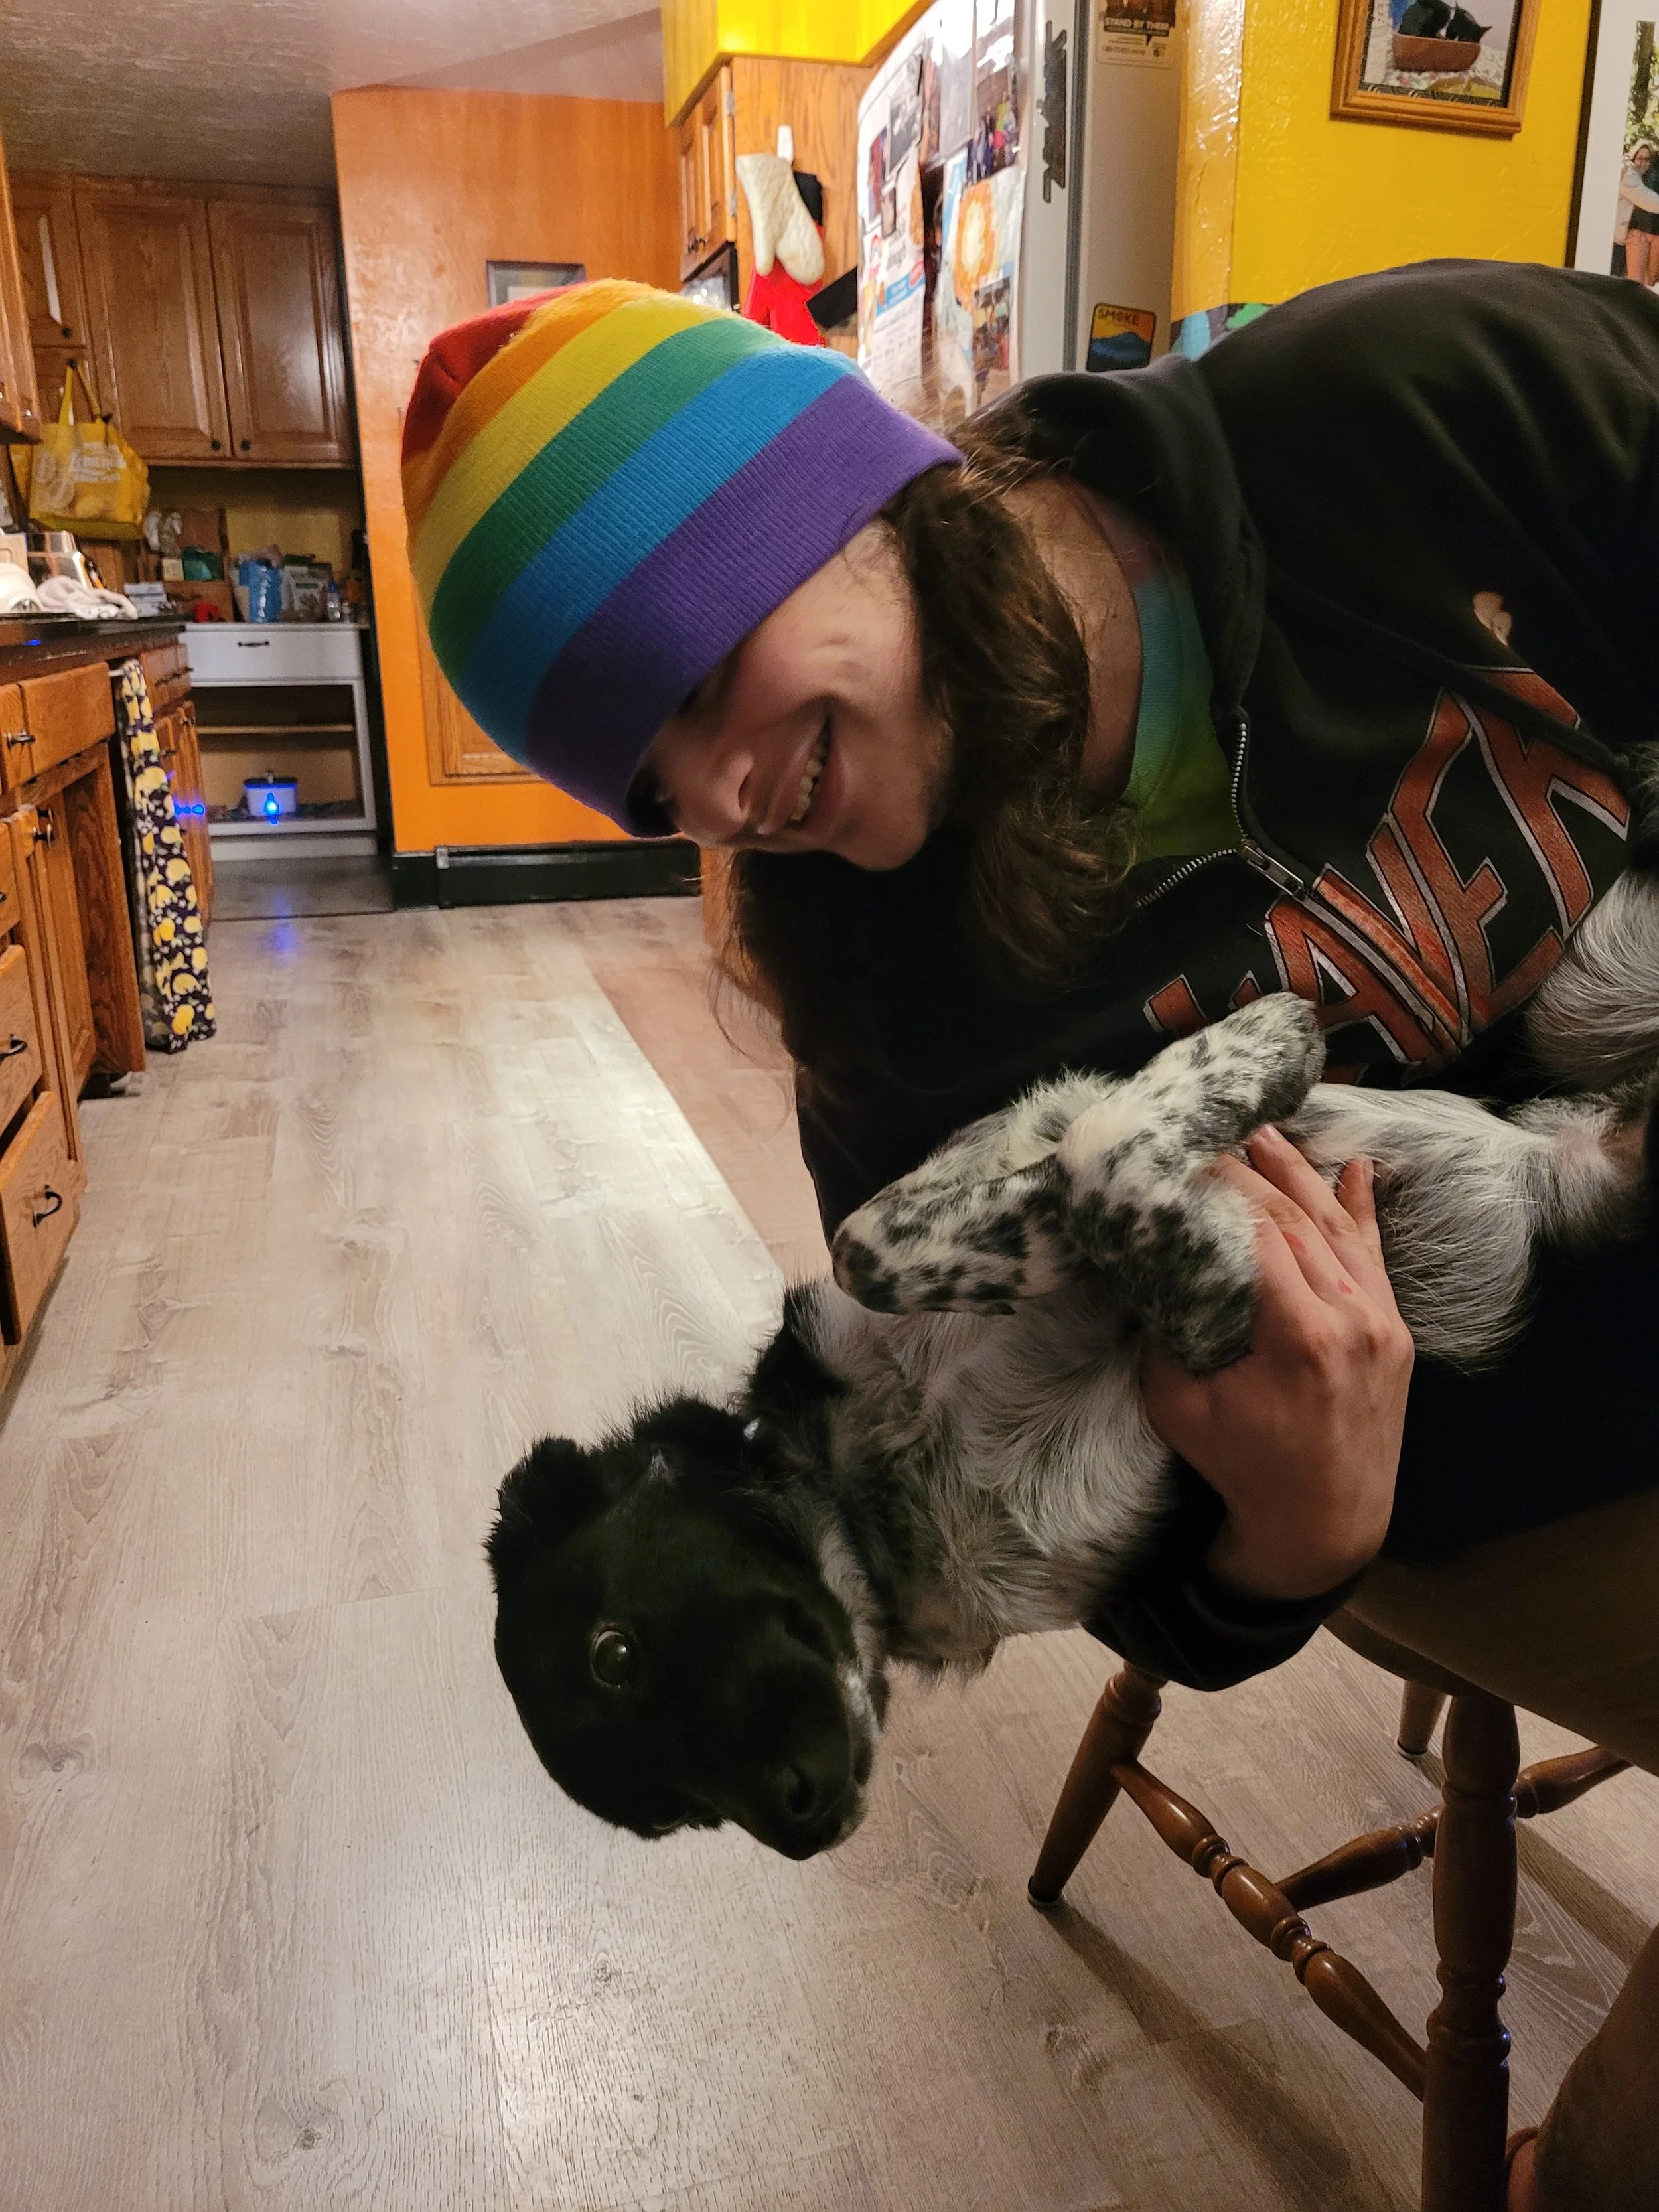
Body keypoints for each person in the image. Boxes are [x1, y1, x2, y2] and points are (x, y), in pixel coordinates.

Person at [403, 263, 1659, 2210]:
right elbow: (1136, 1589)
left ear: (817, 492)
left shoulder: (1404, 413)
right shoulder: (895, 1046)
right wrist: (1289, 1538)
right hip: (1535, 1450)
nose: (722, 801)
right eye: (657, 792)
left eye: (683, 679)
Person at [1615, 141, 1659, 287]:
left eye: (1647, 159)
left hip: (1652, 233)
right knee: (1632, 283)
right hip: (1631, 234)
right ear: (1634, 157)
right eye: (1640, 158)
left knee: (1647, 283)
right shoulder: (1628, 173)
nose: (1644, 163)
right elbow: (1643, 197)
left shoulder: (1640, 171)